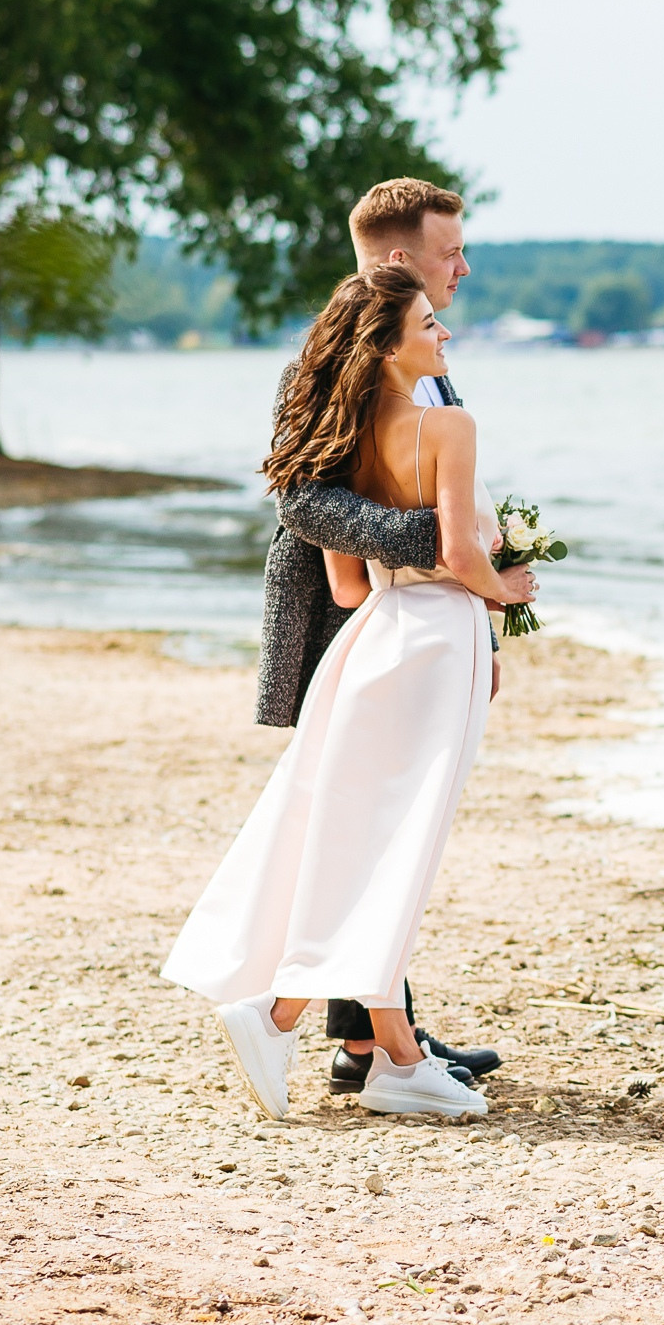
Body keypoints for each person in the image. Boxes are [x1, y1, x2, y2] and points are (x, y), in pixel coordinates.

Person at [163, 263, 533, 1118]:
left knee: (364, 836)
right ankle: (282, 1013)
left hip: (372, 640)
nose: (446, 334)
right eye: (432, 324)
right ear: (391, 342)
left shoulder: (346, 434)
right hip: (437, 641)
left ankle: (387, 1056)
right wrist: (502, 587)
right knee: (397, 843)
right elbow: (462, 550)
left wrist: (428, 586)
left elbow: (348, 587)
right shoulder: (451, 424)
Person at [260, 179, 522, 1095]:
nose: (464, 266)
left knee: (376, 820)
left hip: (411, 614)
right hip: (352, 615)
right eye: (451, 250)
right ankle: (367, 1037)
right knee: (366, 823)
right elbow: (303, 499)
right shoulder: (335, 351)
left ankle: (373, 1041)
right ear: (398, 258)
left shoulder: (420, 346)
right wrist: (440, 557)